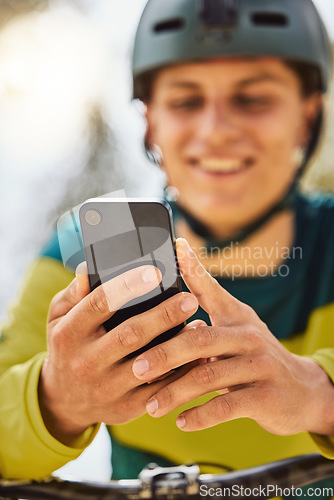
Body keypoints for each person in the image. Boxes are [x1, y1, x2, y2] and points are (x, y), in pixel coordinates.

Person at [1, 0, 334, 495]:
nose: (216, 130)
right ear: (151, 123)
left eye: (252, 99)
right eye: (185, 101)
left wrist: (319, 395)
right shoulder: (79, 254)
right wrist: (56, 398)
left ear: (307, 118)